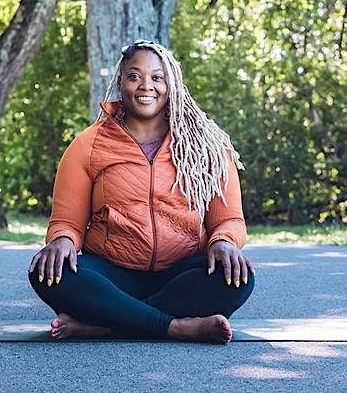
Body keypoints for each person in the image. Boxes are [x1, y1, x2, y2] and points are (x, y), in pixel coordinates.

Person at [28, 40, 255, 343]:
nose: (145, 86)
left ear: (171, 83)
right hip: (112, 273)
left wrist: (225, 242)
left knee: (238, 278)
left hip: (181, 272)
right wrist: (62, 241)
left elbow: (230, 220)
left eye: (157, 78)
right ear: (119, 83)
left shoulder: (206, 145)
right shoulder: (88, 145)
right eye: (134, 76)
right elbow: (67, 221)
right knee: (48, 272)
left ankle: (104, 324)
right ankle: (176, 327)